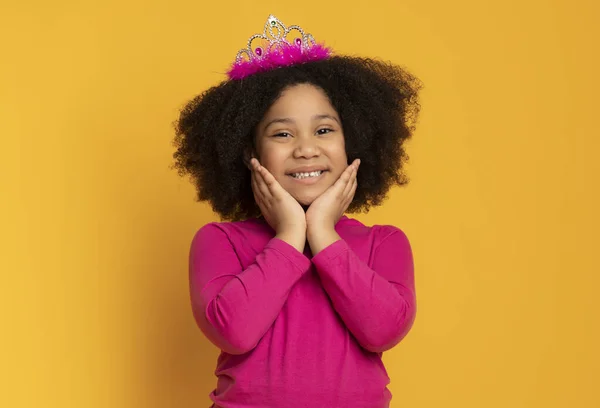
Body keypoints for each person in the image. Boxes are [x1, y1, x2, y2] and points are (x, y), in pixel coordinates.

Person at [172, 14, 423, 408]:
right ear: (251, 154)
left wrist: (323, 233)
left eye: (324, 130)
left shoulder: (384, 243)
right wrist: (290, 234)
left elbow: (384, 330)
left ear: (351, 141)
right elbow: (233, 331)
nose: (306, 148)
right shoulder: (219, 240)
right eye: (282, 134)